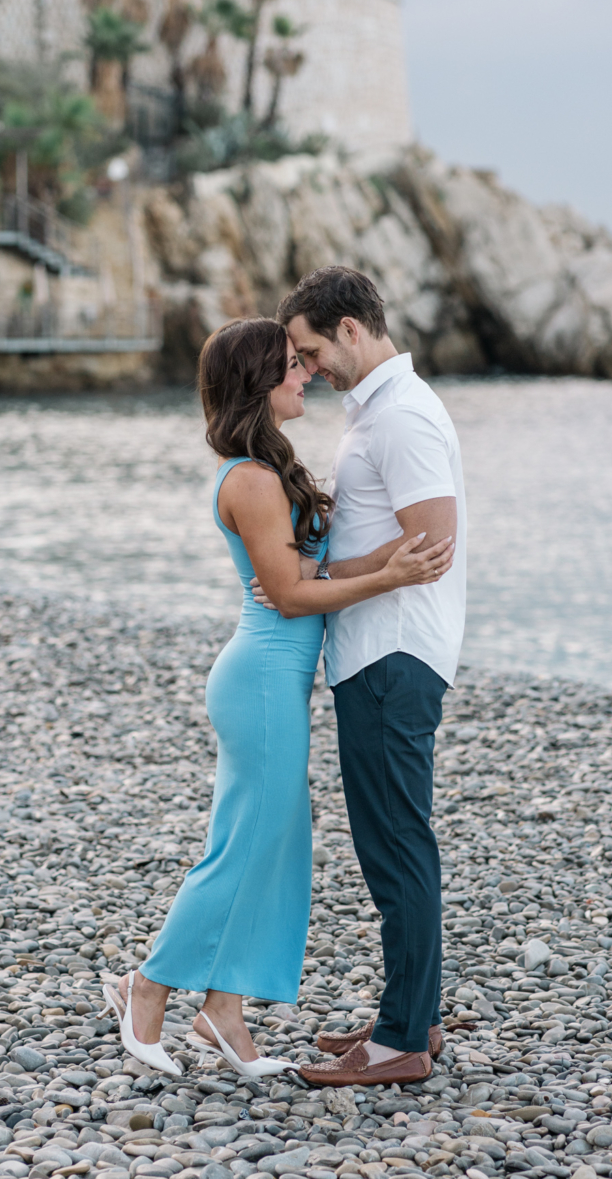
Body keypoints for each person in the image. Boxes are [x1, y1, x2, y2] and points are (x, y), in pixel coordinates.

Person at [103, 316, 454, 1080]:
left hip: (276, 681)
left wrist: (393, 552)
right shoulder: (252, 479)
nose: (304, 376)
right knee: (243, 845)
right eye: (291, 367)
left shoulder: (271, 467)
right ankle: (148, 984)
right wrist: (389, 578)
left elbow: (308, 575)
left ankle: (225, 1014)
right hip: (260, 678)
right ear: (258, 382)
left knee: (280, 847)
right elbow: (294, 597)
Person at [266, 266, 467, 1089]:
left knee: (395, 847)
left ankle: (398, 1044)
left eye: (312, 351)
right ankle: (408, 1016)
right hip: (374, 652)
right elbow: (400, 539)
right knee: (390, 843)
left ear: (351, 329)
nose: (308, 369)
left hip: (391, 654)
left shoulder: (404, 417)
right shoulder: (380, 413)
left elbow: (432, 541)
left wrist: (310, 577)